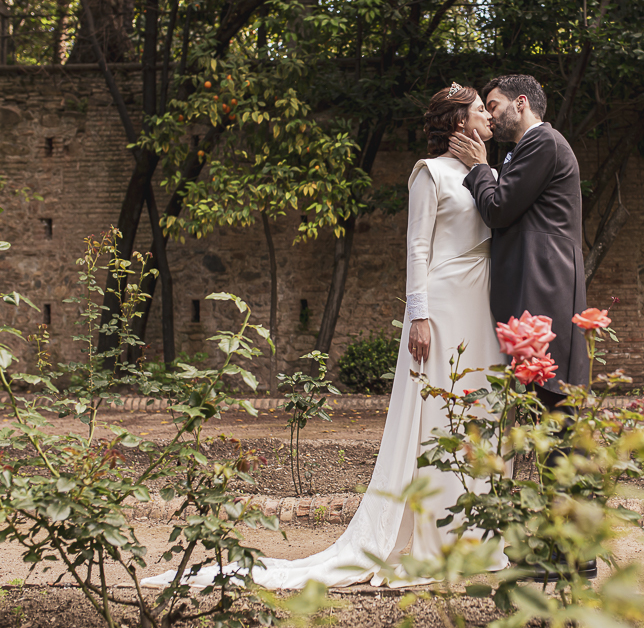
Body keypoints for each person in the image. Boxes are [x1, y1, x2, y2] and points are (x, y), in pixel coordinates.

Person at [141, 83, 507, 590]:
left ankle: (478, 538)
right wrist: (418, 316)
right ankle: (436, 541)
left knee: (477, 411)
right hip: (444, 305)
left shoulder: (491, 175)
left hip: (482, 304)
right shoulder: (430, 173)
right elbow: (417, 249)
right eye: (481, 110)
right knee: (438, 415)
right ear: (460, 122)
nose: (489, 116)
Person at [449, 74, 589, 411]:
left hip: (544, 282)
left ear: (521, 103)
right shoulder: (523, 149)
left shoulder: (543, 141)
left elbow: (498, 209)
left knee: (553, 394)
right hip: (533, 280)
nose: (490, 116)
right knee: (540, 394)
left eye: (494, 105)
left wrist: (479, 167)